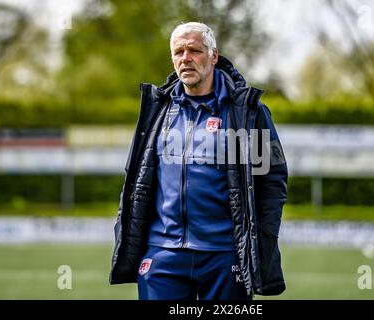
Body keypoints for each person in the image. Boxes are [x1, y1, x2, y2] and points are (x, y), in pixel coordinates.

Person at [109, 22, 288, 300]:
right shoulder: (157, 109)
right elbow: (136, 176)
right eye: (178, 51)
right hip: (163, 254)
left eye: (194, 50)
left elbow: (272, 179)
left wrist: (260, 239)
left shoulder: (248, 112)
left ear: (214, 55)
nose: (185, 58)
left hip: (225, 255)